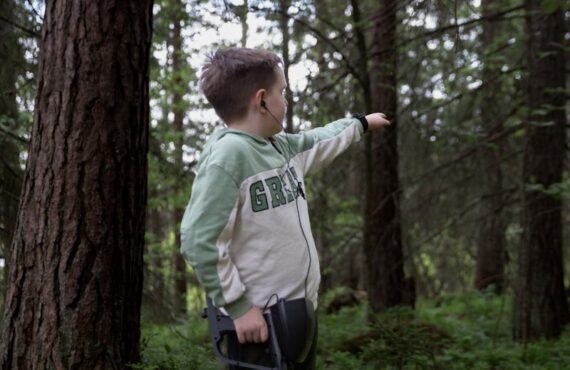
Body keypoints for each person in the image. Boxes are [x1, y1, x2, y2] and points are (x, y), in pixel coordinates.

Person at [180, 47, 390, 369]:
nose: (286, 100)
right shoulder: (228, 157)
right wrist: (239, 308)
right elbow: (199, 239)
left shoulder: (280, 146)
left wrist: (361, 124)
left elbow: (320, 139)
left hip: (297, 316)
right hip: (258, 327)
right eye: (282, 92)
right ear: (261, 100)